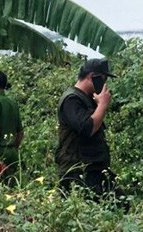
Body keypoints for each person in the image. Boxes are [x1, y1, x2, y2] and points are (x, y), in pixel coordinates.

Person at [55, 58, 128, 212]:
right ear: (92, 76)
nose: (105, 83)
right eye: (103, 79)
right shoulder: (71, 99)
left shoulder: (87, 98)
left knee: (121, 204)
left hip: (94, 167)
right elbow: (87, 128)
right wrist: (102, 105)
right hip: (78, 170)